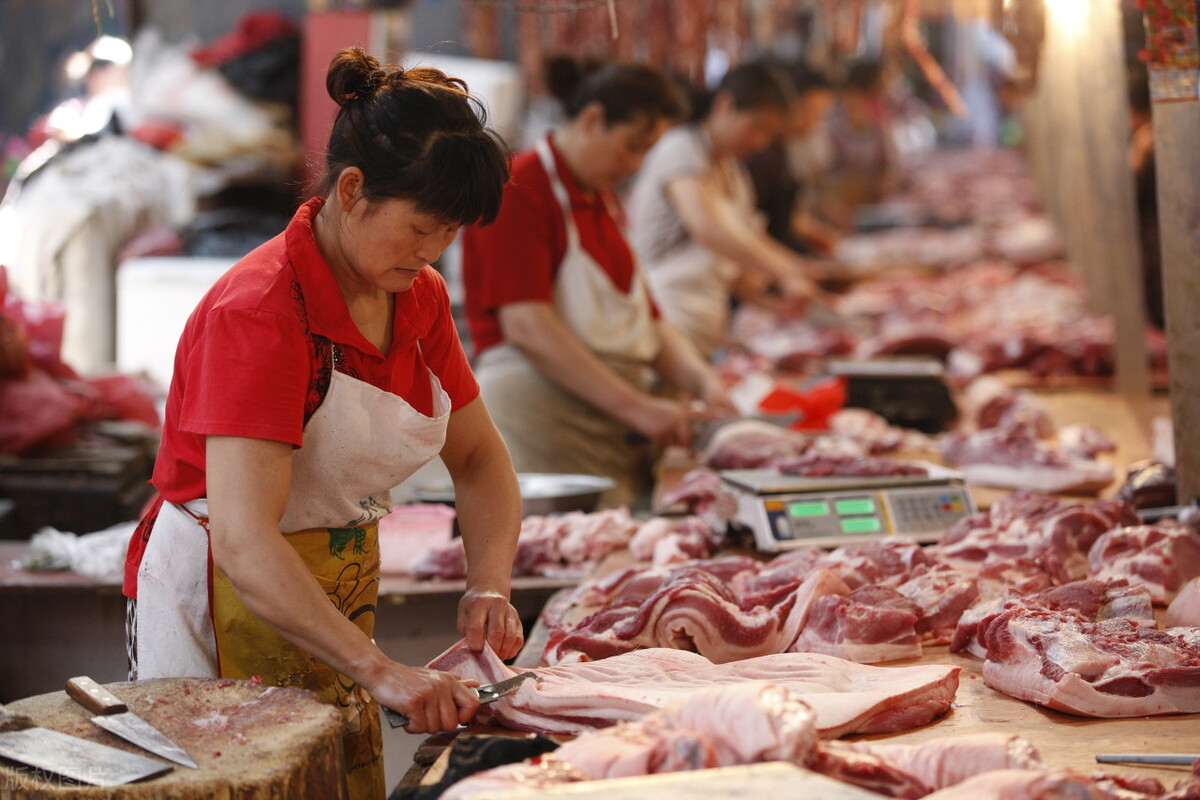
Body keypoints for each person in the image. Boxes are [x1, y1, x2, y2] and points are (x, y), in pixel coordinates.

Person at [122, 48, 524, 799]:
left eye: (449, 234)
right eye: (421, 227)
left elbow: (480, 460)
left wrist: (489, 585)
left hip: (334, 585)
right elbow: (245, 539)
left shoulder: (419, 296)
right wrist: (380, 671)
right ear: (351, 190)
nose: (433, 252)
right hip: (227, 593)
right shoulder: (262, 313)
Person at [461, 58, 735, 510]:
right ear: (592, 120)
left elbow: (647, 318)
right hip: (541, 422)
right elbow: (527, 325)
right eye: (632, 146)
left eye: (647, 151)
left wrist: (705, 384)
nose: (636, 164)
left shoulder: (601, 200)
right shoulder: (519, 188)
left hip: (606, 419)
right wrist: (637, 408)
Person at [625, 60, 819, 359]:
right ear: (725, 105)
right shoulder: (681, 147)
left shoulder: (732, 171)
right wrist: (784, 269)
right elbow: (707, 229)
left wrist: (771, 303)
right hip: (664, 317)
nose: (760, 141)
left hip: (706, 323)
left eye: (769, 133)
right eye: (756, 127)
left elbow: (732, 256)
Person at [744, 61, 840, 255]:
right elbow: (751, 226)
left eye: (820, 115)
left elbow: (786, 217)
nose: (813, 123)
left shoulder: (782, 150)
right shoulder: (756, 152)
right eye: (810, 111)